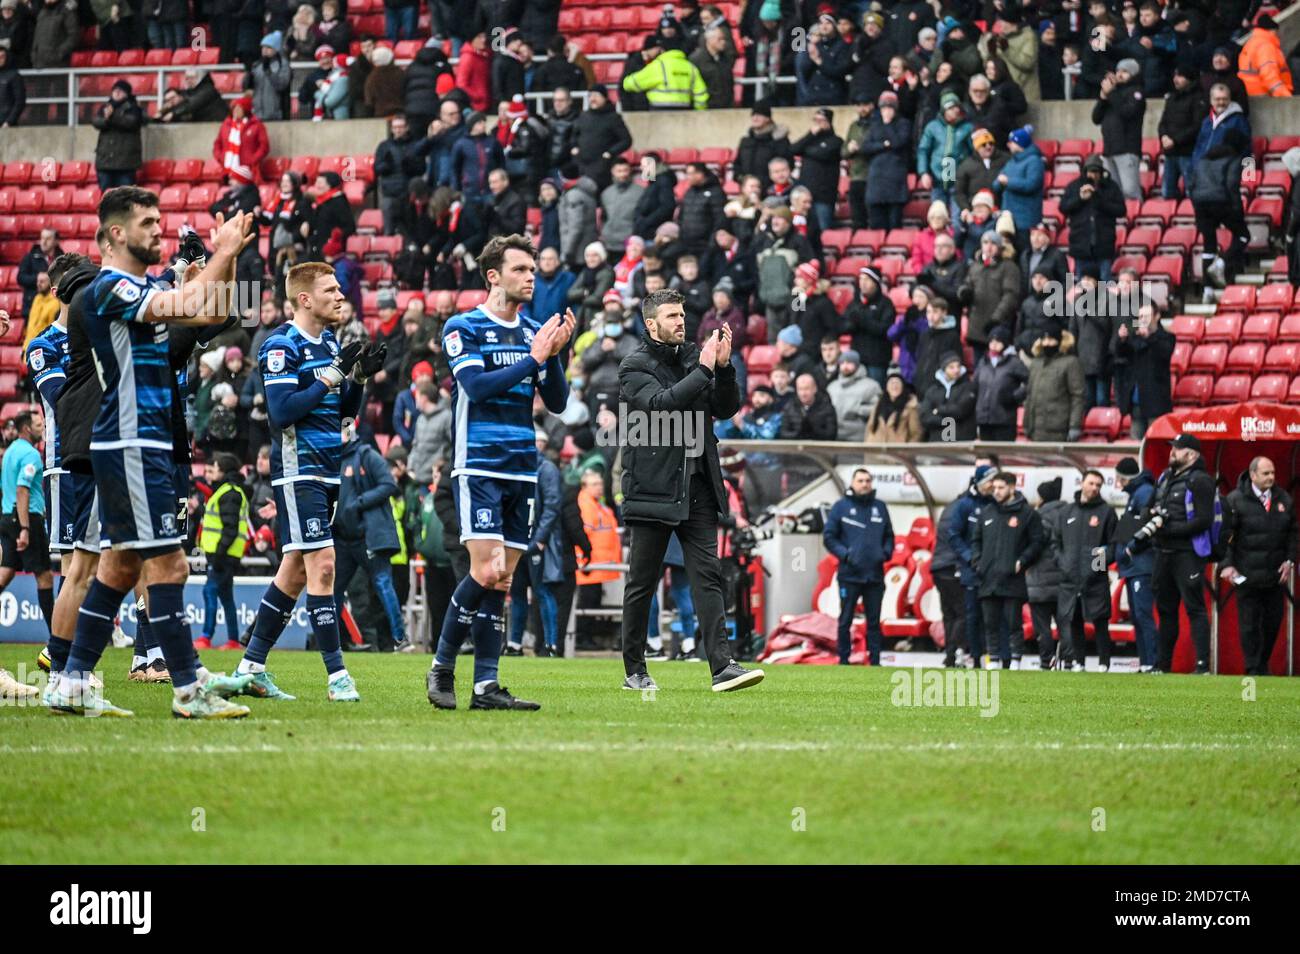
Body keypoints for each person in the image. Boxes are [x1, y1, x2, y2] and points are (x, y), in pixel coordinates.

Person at [49, 191, 257, 719]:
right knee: (170, 563)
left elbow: (211, 309)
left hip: (143, 441)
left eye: (159, 220)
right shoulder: (106, 288)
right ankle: (188, 689)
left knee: (118, 568)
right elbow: (189, 303)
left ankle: (70, 682)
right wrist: (218, 253)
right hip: (130, 440)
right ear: (115, 234)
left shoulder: (140, 288)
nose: (158, 230)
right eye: (147, 223)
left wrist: (226, 258)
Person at [424, 235, 573, 709]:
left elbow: (557, 403)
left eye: (533, 269)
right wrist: (534, 358)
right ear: (493, 276)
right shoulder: (463, 326)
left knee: (502, 581)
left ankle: (486, 685)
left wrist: (556, 357)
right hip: (479, 466)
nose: (531, 277)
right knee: (486, 570)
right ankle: (441, 667)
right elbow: (477, 386)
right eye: (521, 269)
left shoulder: (533, 330)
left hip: (522, 468)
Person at [233, 262, 386, 703]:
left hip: (328, 469)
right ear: (304, 299)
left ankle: (251, 667)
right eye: (331, 290)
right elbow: (281, 413)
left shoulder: (331, 342)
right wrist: (333, 375)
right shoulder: (281, 346)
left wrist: (357, 377)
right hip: (298, 472)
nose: (340, 296)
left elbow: (344, 413)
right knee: (323, 566)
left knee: (295, 574)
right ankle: (338, 677)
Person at [618, 288, 761, 692]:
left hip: (697, 484)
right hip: (653, 488)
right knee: (642, 583)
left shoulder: (693, 355)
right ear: (652, 324)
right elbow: (662, 406)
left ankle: (722, 666)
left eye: (682, 315)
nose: (681, 321)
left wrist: (726, 368)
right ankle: (635, 670)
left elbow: (726, 408)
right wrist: (703, 370)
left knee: (707, 576)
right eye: (672, 316)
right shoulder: (633, 366)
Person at [1134, 433, 1216, 674]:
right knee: (1166, 611)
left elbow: (1204, 520)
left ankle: (1202, 665)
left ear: (1191, 454)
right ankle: (1162, 665)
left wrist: (1171, 530)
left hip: (1187, 553)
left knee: (1195, 608)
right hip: (1162, 552)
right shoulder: (1164, 477)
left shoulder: (1201, 480)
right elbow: (1148, 507)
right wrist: (1149, 517)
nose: (1172, 452)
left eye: (1177, 449)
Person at [334, 422, 407, 653]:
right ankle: (333, 640)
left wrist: (360, 503)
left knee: (383, 584)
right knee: (333, 589)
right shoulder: (333, 459)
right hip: (343, 537)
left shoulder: (367, 456)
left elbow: (389, 485)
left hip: (367, 536)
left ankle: (400, 638)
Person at [1222, 458, 1296, 677]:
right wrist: (1227, 565)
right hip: (1246, 574)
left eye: (1272, 472)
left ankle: (1262, 662)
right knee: (1249, 624)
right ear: (1253, 475)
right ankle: (1253, 668)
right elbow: (1225, 537)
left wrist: (1290, 559)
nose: (1271, 477)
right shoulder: (1235, 500)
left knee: (1273, 623)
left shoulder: (1284, 499)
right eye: (1265, 473)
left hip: (1275, 576)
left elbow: (1293, 533)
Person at [972, 470, 1045, 668]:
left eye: (1001, 488)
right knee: (990, 623)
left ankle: (1015, 659)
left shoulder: (1027, 514)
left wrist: (1022, 560)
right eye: (994, 487)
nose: (996, 491)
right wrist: (978, 562)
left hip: (1012, 578)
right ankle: (993, 659)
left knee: (1013, 623)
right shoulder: (987, 512)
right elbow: (976, 540)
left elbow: (1038, 542)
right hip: (988, 577)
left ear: (1012, 488)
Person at [823, 468, 894, 665]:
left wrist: (885, 553)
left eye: (868, 480)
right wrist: (845, 555)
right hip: (849, 575)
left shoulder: (879, 507)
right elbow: (829, 537)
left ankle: (875, 660)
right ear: (852, 483)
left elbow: (889, 535)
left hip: (874, 576)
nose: (865, 484)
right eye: (861, 480)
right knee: (845, 619)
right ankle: (844, 660)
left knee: (874, 621)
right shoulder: (841, 507)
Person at [1054, 469, 1117, 671]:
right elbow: (1055, 543)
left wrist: (1095, 568)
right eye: (1091, 483)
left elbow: (1113, 545)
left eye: (1098, 485)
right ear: (1082, 483)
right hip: (1070, 578)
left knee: (1100, 621)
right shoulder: (1066, 512)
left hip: (1095, 579)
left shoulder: (1106, 512)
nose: (1094, 488)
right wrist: (1063, 564)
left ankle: (1104, 664)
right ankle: (1079, 662)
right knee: (1074, 620)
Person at [1189, 83, 1251, 288]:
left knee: (1209, 243)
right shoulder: (1207, 121)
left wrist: (1249, 180)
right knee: (1240, 235)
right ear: (1211, 99)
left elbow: (1247, 149)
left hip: (1202, 195)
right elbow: (1198, 149)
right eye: (1217, 99)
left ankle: (1209, 286)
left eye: (1224, 99)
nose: (1221, 103)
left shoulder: (1238, 120)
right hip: (1221, 196)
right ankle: (1220, 267)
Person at [0, 411, 55, 637]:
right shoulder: (31, 454)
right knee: (44, 576)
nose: (42, 428)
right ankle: (58, 639)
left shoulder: (10, 452)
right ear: (26, 429)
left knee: (6, 572)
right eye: (38, 425)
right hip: (27, 519)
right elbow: (23, 489)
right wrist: (25, 528)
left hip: (6, 516)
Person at [505, 444, 563, 657]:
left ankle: (551, 645)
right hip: (518, 541)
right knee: (517, 593)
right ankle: (514, 643)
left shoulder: (546, 469)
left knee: (542, 591)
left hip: (536, 542)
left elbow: (552, 505)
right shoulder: (515, 469)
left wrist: (540, 539)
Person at [196, 454, 249, 652]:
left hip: (223, 555)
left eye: (215, 468)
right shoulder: (229, 491)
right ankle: (233, 640)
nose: (211, 473)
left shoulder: (229, 493)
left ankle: (206, 637)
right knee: (226, 596)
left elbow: (230, 528)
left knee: (209, 590)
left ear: (224, 471)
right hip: (226, 554)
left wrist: (218, 554)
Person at [1113, 456, 1158, 672]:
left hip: (1140, 565)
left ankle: (1152, 662)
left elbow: (1147, 527)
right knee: (1137, 617)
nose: (1118, 483)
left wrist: (1131, 548)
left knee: (1142, 614)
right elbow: (1106, 544)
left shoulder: (1144, 493)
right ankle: (1145, 662)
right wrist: (1097, 566)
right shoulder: (1135, 496)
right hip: (1129, 567)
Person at [1059, 155, 1126, 281]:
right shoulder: (1074, 186)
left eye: (1096, 172)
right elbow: (1063, 207)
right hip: (1080, 246)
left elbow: (1121, 210)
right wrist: (1080, 199)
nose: (1093, 176)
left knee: (1104, 286)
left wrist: (1097, 198)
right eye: (1090, 172)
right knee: (1084, 286)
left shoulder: (1111, 187)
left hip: (1104, 246)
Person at [1112, 301, 1173, 438]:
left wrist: (1149, 337)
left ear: (1157, 316)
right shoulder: (1135, 338)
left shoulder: (1167, 337)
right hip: (1136, 402)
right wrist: (1122, 339)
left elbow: (1163, 354)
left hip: (1156, 403)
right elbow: (1122, 354)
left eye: (1146, 316)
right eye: (1140, 317)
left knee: (1155, 442)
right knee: (1135, 443)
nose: (1143, 320)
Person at [1026, 476, 1068, 668]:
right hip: (1064, 582)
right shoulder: (1070, 514)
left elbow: (1033, 547)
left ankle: (1047, 661)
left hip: (1039, 583)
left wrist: (1021, 563)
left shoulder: (1037, 517)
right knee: (1066, 625)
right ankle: (1069, 662)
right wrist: (1097, 569)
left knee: (1042, 627)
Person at [1092, 58, 1146, 201]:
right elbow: (1096, 118)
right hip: (1109, 149)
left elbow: (1127, 112)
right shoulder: (1113, 94)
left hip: (1127, 149)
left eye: (1125, 72)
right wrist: (1103, 98)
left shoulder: (1136, 93)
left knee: (1130, 190)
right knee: (1114, 192)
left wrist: (1111, 94)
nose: (1119, 74)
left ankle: (1135, 218)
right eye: (1118, 71)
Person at [1023, 321, 1085, 442]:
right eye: (1044, 339)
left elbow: (1078, 396)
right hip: (1036, 430)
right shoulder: (1036, 364)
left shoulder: (1071, 362)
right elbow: (1029, 396)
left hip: (1059, 430)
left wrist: (1074, 426)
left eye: (1051, 339)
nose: (1047, 343)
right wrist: (1027, 424)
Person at [1158, 65, 1207, 200]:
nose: (1176, 79)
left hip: (1188, 152)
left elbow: (1197, 126)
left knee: (1191, 191)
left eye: (1180, 76)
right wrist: (1163, 136)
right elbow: (1163, 122)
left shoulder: (1199, 98)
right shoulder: (1172, 98)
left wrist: (1175, 140)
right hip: (1170, 152)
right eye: (1175, 75)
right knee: (1167, 192)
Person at [973, 325, 1027, 441]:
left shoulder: (1014, 362)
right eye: (991, 341)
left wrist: (1014, 397)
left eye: (998, 341)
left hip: (1004, 419)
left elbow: (1030, 382)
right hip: (984, 419)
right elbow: (975, 386)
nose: (994, 344)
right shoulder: (983, 362)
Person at [91, 80, 143, 190]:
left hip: (126, 163)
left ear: (127, 93)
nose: (117, 92)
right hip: (105, 162)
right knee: (106, 196)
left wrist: (111, 117)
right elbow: (96, 121)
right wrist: (107, 120)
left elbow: (131, 123)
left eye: (121, 90)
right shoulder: (105, 107)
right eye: (115, 90)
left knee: (125, 196)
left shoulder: (133, 108)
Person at [920, 352, 976, 442]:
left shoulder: (968, 387)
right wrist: (945, 421)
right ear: (943, 369)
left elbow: (961, 410)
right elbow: (925, 417)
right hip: (937, 442)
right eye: (951, 367)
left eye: (958, 366)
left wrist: (938, 410)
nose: (956, 370)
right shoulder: (933, 390)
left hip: (962, 442)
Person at [1238, 14, 1293, 97]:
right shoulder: (1266, 46)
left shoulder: (1251, 43)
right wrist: (1285, 96)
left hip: (1252, 95)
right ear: (1272, 31)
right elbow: (1269, 75)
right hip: (1267, 96)